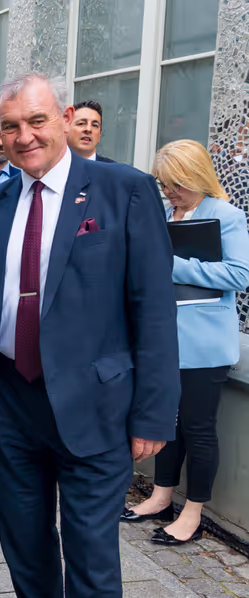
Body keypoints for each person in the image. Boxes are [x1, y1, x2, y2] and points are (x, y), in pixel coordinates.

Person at [0, 73, 179, 598]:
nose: (25, 136)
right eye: (10, 127)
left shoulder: (124, 191)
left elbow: (154, 309)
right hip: (11, 401)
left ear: (65, 116)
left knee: (90, 553)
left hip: (94, 407)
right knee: (25, 543)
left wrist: (154, 411)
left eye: (36, 121)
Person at [122, 140, 249, 544]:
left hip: (204, 344)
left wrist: (171, 264)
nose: (168, 191)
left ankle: (192, 513)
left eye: (175, 183)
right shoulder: (161, 212)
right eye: (163, 183)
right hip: (161, 339)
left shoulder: (226, 215)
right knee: (165, 421)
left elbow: (239, 275)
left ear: (196, 176)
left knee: (197, 428)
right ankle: (161, 496)